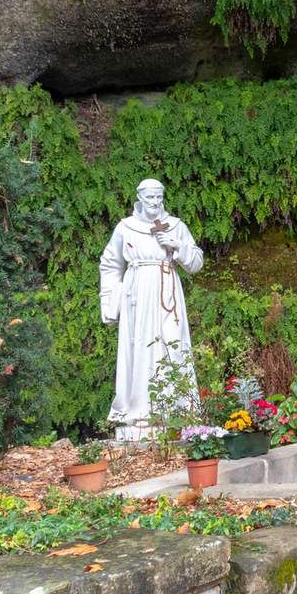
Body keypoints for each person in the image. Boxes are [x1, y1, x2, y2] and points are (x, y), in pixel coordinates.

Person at [99, 179, 203, 440]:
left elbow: (196, 263)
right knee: (138, 349)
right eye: (150, 197)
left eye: (158, 197)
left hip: (167, 292)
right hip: (136, 295)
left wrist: (177, 246)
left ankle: (176, 412)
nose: (155, 202)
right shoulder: (126, 227)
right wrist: (110, 302)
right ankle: (139, 413)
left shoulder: (176, 226)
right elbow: (110, 263)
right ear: (140, 198)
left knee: (172, 345)